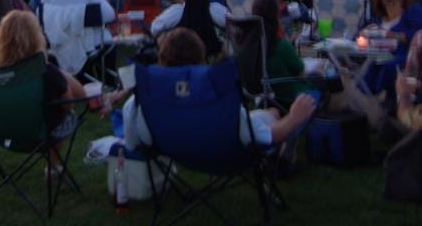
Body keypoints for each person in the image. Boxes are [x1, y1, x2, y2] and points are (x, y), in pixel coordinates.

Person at [122, 28, 317, 151]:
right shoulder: (218, 99)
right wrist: (294, 117)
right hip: (220, 149)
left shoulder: (143, 100)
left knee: (268, 113)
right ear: (200, 59)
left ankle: (270, 113)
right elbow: (270, 137)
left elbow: (133, 144)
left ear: (161, 58)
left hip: (171, 145)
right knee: (272, 116)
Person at [0, 10, 85, 167]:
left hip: (4, 130)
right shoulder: (47, 73)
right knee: (66, 115)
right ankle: (53, 165)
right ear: (37, 38)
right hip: (41, 132)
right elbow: (69, 104)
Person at [39, 0, 116, 75]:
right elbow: (110, 15)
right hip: (89, 45)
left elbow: (41, 15)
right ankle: (108, 79)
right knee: (108, 39)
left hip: (58, 43)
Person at [364, 0, 422, 97]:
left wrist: (392, 35)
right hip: (379, 54)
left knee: (388, 66)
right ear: (381, 2)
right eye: (386, 1)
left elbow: (421, 34)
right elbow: (361, 38)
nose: (390, 4)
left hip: (403, 54)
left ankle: (384, 99)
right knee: (370, 66)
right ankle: (367, 97)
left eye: (394, 0)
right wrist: (365, 34)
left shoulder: (413, 13)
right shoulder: (378, 20)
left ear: (402, 0)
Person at [250, 0, 307, 105]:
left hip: (265, 98)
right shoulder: (280, 45)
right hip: (293, 99)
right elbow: (302, 74)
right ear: (276, 16)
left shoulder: (250, 45)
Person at [150, 0, 226, 57]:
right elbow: (235, 27)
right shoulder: (217, 10)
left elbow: (154, 29)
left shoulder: (175, 12)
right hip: (211, 61)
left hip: (179, 60)